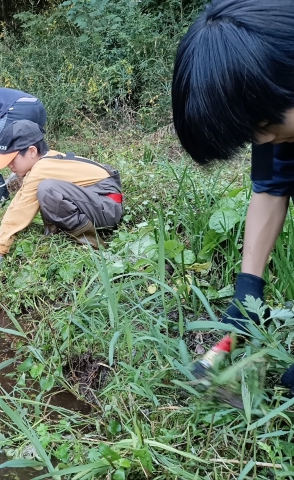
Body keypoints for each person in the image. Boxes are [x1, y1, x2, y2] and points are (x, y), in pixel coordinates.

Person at [171, 0, 294, 392]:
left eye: (264, 124)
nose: (261, 139)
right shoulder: (272, 111)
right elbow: (271, 188)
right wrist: (248, 290)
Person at [0, 120, 122, 276]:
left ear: (32, 151)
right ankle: (57, 237)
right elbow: (18, 202)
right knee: (44, 190)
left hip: (108, 206)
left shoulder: (42, 169)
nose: (9, 165)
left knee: (47, 190)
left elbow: (21, 211)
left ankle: (96, 247)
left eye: (12, 159)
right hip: (98, 201)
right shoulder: (44, 163)